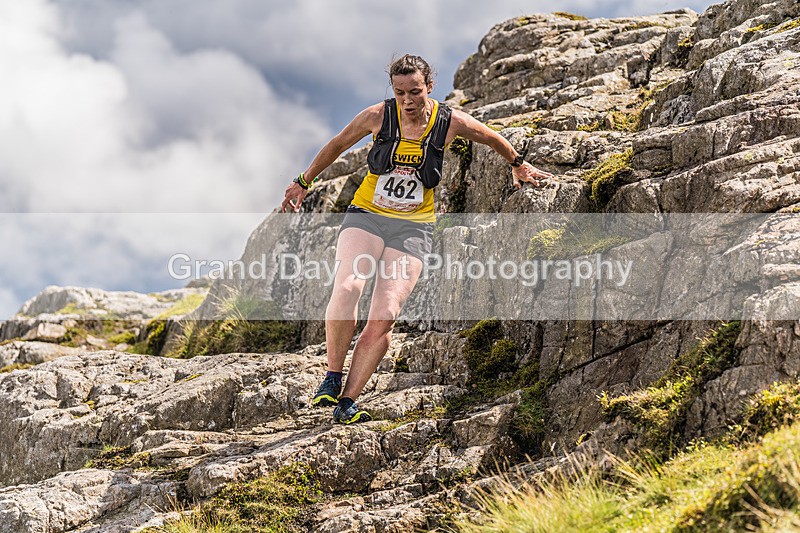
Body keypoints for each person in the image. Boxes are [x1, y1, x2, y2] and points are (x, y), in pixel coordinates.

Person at [281, 54, 554, 424]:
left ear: (429, 87)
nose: (407, 100)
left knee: (386, 314)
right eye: (400, 93)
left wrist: (517, 163)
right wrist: (303, 181)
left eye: (415, 92)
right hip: (367, 216)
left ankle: (347, 402)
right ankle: (332, 376)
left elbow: (490, 137)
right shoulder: (378, 116)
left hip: (413, 228)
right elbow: (338, 143)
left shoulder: (449, 121)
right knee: (348, 287)